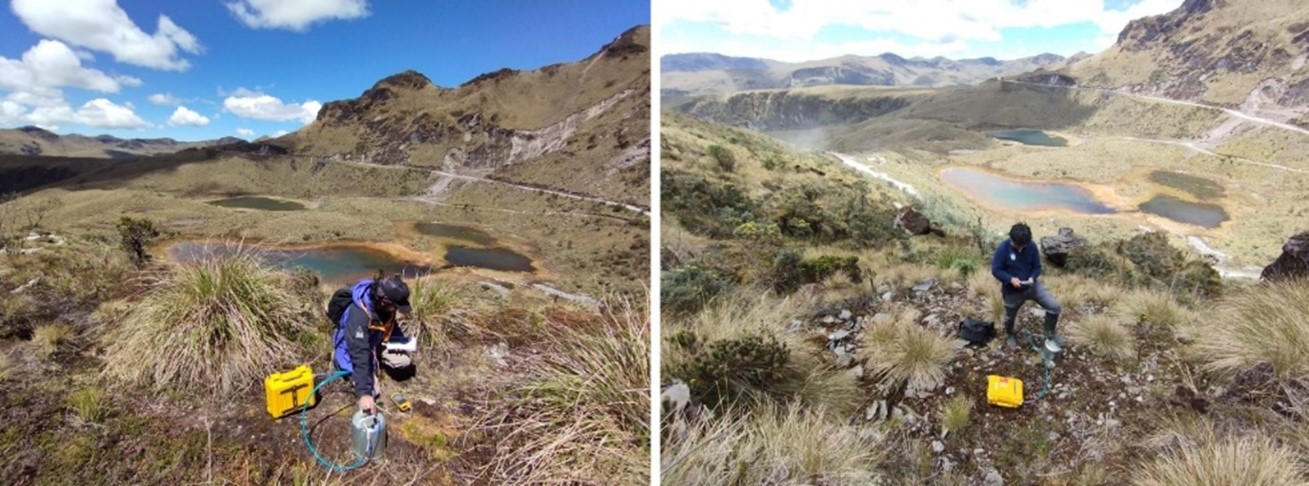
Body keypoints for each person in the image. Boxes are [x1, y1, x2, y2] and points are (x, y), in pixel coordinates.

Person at [329, 274, 416, 414]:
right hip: (352, 350)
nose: (396, 310)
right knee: (372, 391)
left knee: (403, 361)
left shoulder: (386, 308)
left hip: (374, 342)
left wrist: (405, 343)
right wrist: (364, 393)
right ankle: (339, 361)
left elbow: (392, 327)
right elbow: (359, 352)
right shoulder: (359, 315)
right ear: (384, 301)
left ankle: (375, 360)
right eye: (395, 306)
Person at [990, 223, 1063, 351]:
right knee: (1009, 317)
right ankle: (1010, 334)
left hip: (1032, 286)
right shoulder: (1003, 249)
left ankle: (1049, 333)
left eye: (1024, 245)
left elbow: (1037, 267)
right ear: (1011, 239)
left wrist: (1032, 277)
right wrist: (1010, 279)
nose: (1021, 248)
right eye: (1018, 245)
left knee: (1054, 307)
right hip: (1012, 291)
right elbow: (996, 270)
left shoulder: (1031, 246)